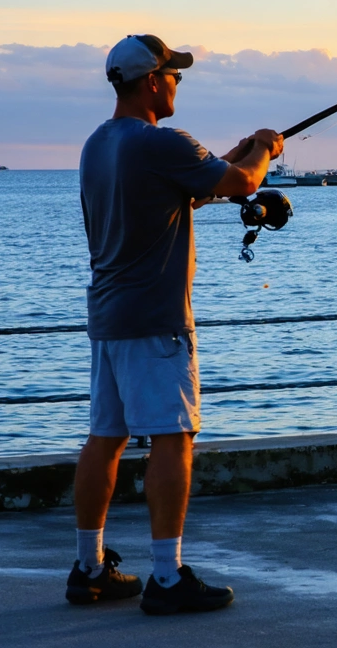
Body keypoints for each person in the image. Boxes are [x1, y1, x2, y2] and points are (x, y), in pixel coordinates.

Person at [65, 34, 283, 614]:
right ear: (152, 81)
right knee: (172, 438)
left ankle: (88, 569)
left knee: (105, 439)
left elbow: (186, 192)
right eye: (175, 75)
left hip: (108, 317)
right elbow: (242, 185)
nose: (179, 83)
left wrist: (231, 155)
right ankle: (166, 577)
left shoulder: (98, 145)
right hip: (157, 319)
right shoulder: (159, 142)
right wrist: (262, 148)